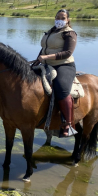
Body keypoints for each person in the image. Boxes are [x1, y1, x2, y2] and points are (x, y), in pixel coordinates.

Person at [36, 9, 78, 137]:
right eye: (58, 17)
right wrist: (37, 60)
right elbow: (44, 48)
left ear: (67, 20)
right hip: (46, 63)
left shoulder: (70, 33)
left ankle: (68, 124)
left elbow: (67, 53)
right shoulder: (51, 31)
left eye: (63, 17)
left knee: (61, 88)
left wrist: (47, 58)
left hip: (64, 65)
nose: (59, 20)